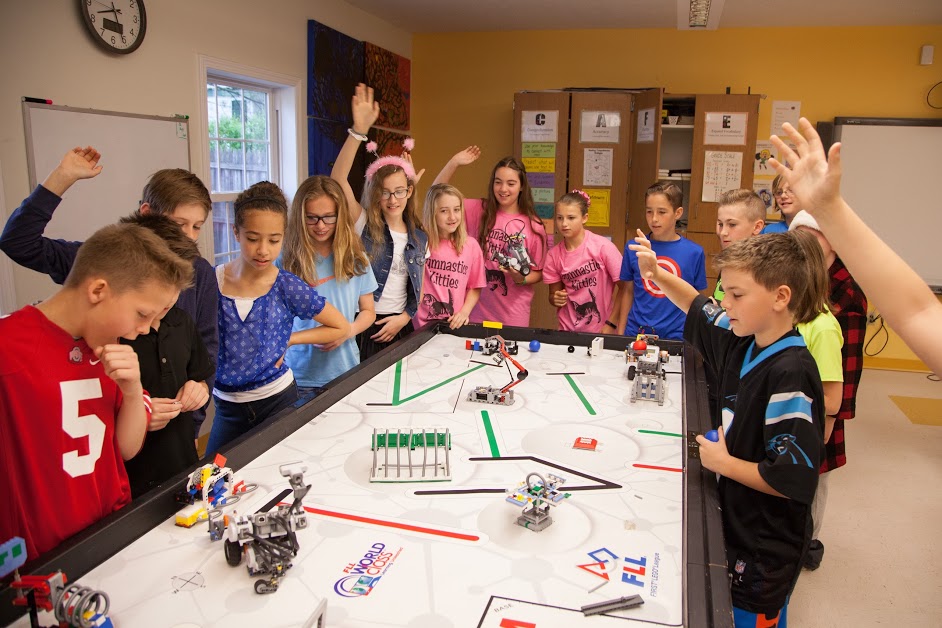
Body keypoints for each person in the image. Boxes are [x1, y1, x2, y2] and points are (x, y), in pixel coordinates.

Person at [630, 227, 826, 627]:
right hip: (735, 523)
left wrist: (722, 462)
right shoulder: (743, 337)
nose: (725, 302)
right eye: (725, 291)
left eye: (737, 295)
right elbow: (698, 306)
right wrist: (656, 273)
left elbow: (791, 478)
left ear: (780, 297)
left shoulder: (792, 373)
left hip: (764, 547)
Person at [0, 223, 193, 559]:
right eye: (141, 314)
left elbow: (125, 449)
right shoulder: (10, 349)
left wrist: (133, 392)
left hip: (109, 532)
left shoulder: (108, 348)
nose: (143, 330)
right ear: (98, 290)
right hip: (43, 555)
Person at [0, 146, 219, 439]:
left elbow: (208, 345)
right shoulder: (106, 261)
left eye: (197, 227)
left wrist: (201, 387)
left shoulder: (199, 271)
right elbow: (18, 243)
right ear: (147, 214)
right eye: (180, 224)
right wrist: (61, 179)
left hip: (174, 431)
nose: (189, 236)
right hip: (107, 428)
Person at [769, 118, 942, 375]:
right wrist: (828, 208)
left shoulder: (846, 296)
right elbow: (918, 312)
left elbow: (917, 313)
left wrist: (829, 211)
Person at [206, 182, 349, 454]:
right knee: (213, 478)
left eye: (273, 240)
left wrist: (290, 340)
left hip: (277, 400)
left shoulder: (287, 285)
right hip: (227, 407)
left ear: (283, 237)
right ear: (236, 232)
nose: (263, 250)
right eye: (252, 238)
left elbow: (339, 325)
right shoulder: (211, 281)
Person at [789, 209, 868, 570]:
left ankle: (808, 543)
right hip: (793, 398)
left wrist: (828, 425)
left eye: (814, 236)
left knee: (814, 476)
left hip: (824, 408)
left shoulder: (847, 294)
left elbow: (845, 374)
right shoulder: (796, 277)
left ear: (833, 241)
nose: (805, 244)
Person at [117, 213, 214, 497]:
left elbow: (200, 375)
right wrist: (140, 414)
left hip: (182, 464)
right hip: (132, 482)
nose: (168, 304)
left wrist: (201, 390)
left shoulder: (181, 321)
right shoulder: (120, 335)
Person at [331, 83, 428, 359]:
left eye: (399, 191)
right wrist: (358, 132)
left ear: (409, 192)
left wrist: (406, 318)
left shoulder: (420, 237)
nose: (392, 199)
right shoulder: (364, 223)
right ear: (375, 194)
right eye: (384, 192)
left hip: (400, 327)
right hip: (365, 325)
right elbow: (337, 179)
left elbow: (417, 289)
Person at [280, 175, 377, 399]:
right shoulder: (286, 260)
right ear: (299, 217)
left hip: (344, 370)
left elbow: (368, 311)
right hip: (298, 372)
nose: (321, 226)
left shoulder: (357, 258)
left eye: (328, 217)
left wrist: (347, 332)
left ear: (340, 216)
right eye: (312, 218)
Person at [434, 147, 547, 327]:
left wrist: (521, 278)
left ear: (522, 186)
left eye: (511, 183)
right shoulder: (478, 210)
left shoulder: (534, 226)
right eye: (498, 182)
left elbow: (539, 272)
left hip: (513, 316)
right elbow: (435, 196)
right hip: (472, 311)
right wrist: (453, 163)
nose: (503, 189)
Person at [618, 181, 706, 340]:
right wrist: (620, 333)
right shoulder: (634, 247)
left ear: (678, 213)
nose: (654, 219)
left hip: (677, 335)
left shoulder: (694, 252)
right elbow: (627, 291)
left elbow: (696, 298)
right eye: (649, 212)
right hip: (637, 332)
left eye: (662, 212)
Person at [542, 190, 623, 333]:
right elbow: (553, 296)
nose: (564, 223)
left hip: (601, 329)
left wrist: (611, 323)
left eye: (571, 218)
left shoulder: (603, 247)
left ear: (584, 218)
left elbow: (626, 288)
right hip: (567, 330)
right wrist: (555, 299)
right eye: (560, 218)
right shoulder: (553, 255)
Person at [414, 183, 486, 331]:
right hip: (419, 327)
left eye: (457, 210)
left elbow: (475, 286)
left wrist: (464, 312)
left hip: (454, 325)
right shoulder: (421, 241)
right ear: (432, 212)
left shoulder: (471, 246)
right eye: (444, 211)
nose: (452, 217)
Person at [713, 189, 766, 300]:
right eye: (720, 224)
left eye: (732, 225)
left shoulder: (762, 271)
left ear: (757, 227)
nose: (723, 232)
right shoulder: (729, 261)